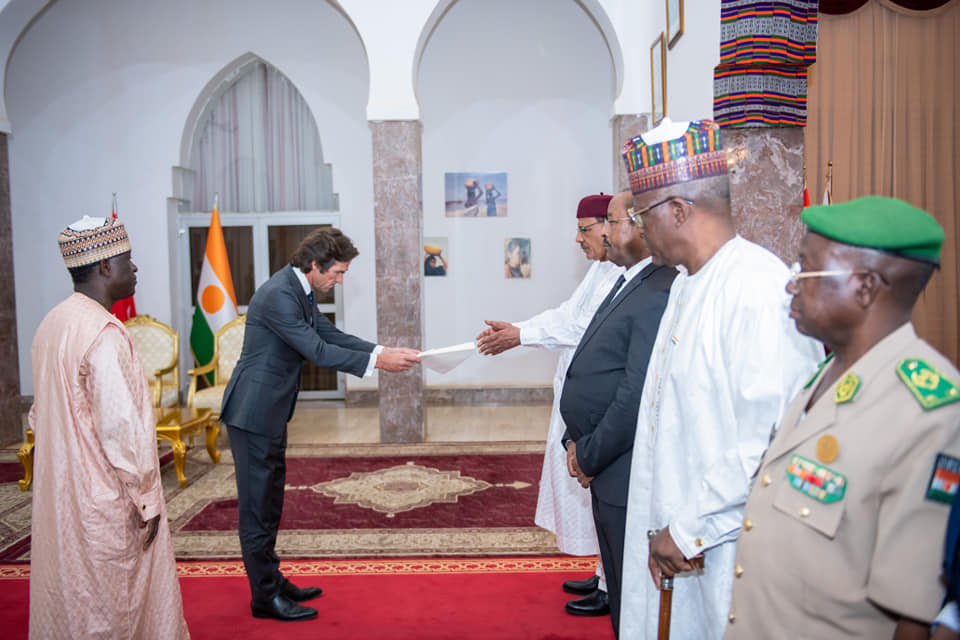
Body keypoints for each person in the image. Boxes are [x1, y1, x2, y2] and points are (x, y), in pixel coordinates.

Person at [617, 119, 823, 639]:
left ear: (680, 210)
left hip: (726, 547)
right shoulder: (688, 284)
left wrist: (688, 529)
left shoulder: (759, 288)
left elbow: (769, 438)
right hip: (680, 540)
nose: (639, 230)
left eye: (643, 215)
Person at [724, 196, 960, 639]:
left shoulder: (931, 415)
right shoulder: (827, 373)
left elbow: (913, 617)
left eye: (804, 271)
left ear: (865, 287)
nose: (791, 287)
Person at [220, 227, 420, 622]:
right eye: (338, 273)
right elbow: (315, 350)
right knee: (257, 507)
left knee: (271, 499)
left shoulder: (297, 288)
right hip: (253, 412)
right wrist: (379, 364)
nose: (340, 280)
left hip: (270, 410)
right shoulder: (279, 294)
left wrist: (382, 349)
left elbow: (329, 332)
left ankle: (272, 580)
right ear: (315, 265)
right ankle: (264, 597)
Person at [29, 216, 189, 639]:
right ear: (103, 268)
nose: (135, 269)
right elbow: (122, 431)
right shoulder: (104, 333)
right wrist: (147, 499)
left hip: (61, 494)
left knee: (70, 593)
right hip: (103, 495)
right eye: (127, 260)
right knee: (111, 600)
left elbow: (37, 416)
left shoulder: (51, 323)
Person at [476, 193, 624, 616]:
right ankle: (602, 574)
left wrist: (520, 335)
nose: (577, 239)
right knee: (589, 491)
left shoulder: (624, 273)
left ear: (610, 225)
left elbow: (580, 325)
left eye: (584, 229)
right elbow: (567, 313)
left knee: (602, 491)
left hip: (604, 405)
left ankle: (611, 585)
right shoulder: (601, 269)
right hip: (581, 396)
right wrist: (521, 328)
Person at [560, 190, 677, 636]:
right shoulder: (630, 279)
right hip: (605, 463)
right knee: (619, 587)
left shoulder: (658, 287)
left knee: (632, 596)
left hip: (619, 466)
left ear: (642, 224)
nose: (605, 232)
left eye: (611, 221)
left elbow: (636, 392)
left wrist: (588, 454)